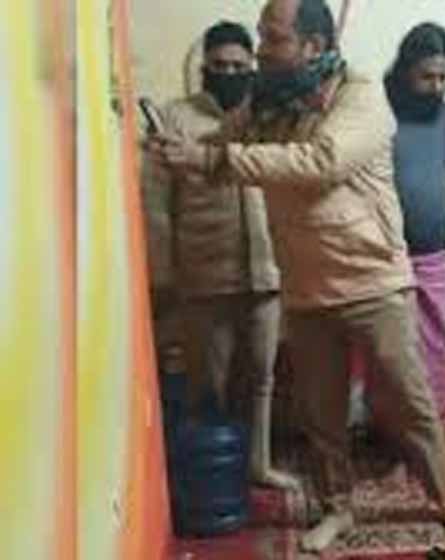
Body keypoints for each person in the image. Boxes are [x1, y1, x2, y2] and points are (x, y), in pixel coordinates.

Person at [145, 0, 445, 552]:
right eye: (262, 35)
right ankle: (338, 510)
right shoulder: (267, 100)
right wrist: (177, 151)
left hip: (373, 285)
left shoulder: (361, 97)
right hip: (306, 289)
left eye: (274, 38)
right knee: (320, 416)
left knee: (411, 408)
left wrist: (211, 160)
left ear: (313, 46)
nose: (261, 50)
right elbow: (219, 147)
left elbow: (319, 162)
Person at [142, 21, 297, 490]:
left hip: (266, 274)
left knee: (262, 380)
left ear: (253, 67)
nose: (229, 73)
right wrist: (163, 277)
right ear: (204, 67)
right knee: (207, 385)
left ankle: (257, 466)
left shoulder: (269, 116)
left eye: (238, 66)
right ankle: (210, 479)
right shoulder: (174, 119)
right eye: (220, 66)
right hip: (204, 276)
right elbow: (156, 205)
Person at [383, 22, 445, 420]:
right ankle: (389, 427)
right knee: (393, 353)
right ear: (406, 71)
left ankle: (433, 426)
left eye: (443, 77)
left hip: (435, 258)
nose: (437, 86)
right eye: (427, 77)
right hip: (387, 259)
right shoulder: (380, 115)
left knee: (435, 348)